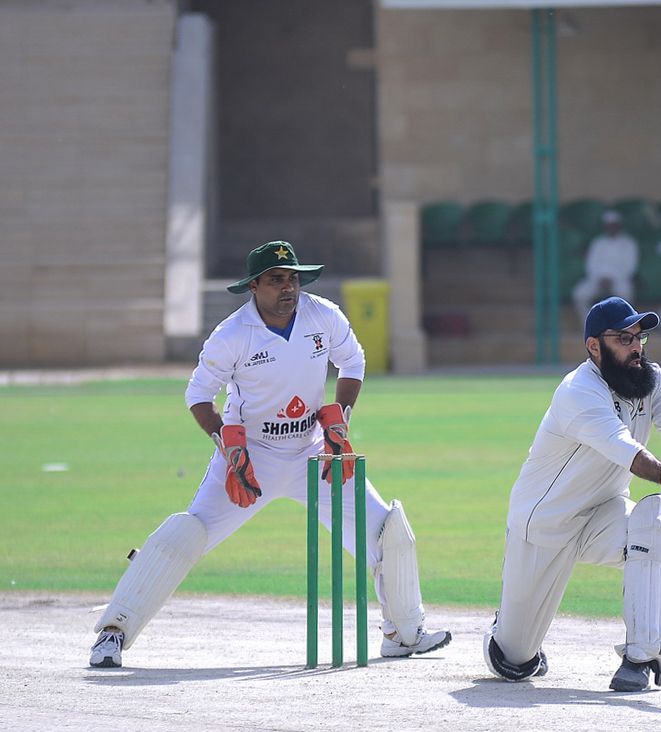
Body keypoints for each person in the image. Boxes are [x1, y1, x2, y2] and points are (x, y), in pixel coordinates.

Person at [89, 241, 451, 668]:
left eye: (293, 278)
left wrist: (340, 423)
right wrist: (228, 447)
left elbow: (353, 362)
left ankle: (404, 633)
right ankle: (113, 632)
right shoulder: (232, 335)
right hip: (250, 458)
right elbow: (199, 395)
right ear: (254, 286)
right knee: (186, 534)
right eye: (276, 279)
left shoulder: (323, 316)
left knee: (387, 531)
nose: (288, 287)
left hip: (314, 453)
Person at [482, 296, 661, 692]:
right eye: (624, 338)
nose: (636, 346)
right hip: (545, 524)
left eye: (639, 337)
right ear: (594, 346)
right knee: (514, 659)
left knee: (656, 521)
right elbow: (622, 447)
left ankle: (640, 658)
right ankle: (504, 630)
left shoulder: (650, 378)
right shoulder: (578, 391)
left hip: (604, 513)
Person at [571, 210, 640, 325]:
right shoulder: (598, 242)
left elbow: (630, 266)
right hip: (597, 280)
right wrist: (599, 279)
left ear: (619, 226)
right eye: (609, 225)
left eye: (614, 225)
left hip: (619, 280)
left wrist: (612, 279)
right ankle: (589, 325)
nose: (611, 228)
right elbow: (591, 264)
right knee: (579, 293)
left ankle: (623, 326)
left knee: (626, 293)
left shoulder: (628, 243)